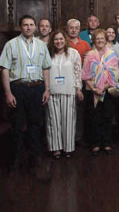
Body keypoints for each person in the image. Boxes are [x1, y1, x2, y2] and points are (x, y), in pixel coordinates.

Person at [0, 14, 52, 177]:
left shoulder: (41, 46)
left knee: (35, 125)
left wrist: (47, 89)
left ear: (35, 27)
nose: (29, 27)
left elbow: (46, 68)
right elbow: (5, 69)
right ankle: (16, 160)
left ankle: (35, 159)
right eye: (25, 25)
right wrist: (8, 93)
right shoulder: (11, 44)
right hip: (18, 89)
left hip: (36, 88)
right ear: (21, 27)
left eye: (31, 25)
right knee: (18, 126)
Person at [46, 30, 83, 159]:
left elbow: (78, 71)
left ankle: (68, 148)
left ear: (65, 40)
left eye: (61, 39)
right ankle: (56, 148)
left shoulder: (73, 53)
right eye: (56, 39)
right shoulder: (47, 53)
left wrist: (78, 89)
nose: (59, 42)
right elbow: (43, 71)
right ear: (52, 41)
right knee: (53, 120)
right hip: (52, 91)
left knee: (68, 120)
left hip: (69, 90)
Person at [82, 29, 119, 156]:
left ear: (106, 40)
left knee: (107, 117)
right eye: (97, 38)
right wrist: (94, 88)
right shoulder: (89, 55)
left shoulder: (112, 54)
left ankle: (107, 143)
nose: (99, 41)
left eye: (102, 38)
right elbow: (85, 75)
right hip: (92, 91)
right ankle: (96, 143)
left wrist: (103, 88)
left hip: (107, 90)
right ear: (94, 40)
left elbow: (114, 75)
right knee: (94, 118)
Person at [67, 18, 91, 145]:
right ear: (67, 29)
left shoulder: (85, 44)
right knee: (68, 109)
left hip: (81, 81)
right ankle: (68, 136)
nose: (74, 30)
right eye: (71, 27)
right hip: (65, 80)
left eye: (76, 28)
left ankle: (79, 137)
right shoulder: (63, 42)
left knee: (81, 110)